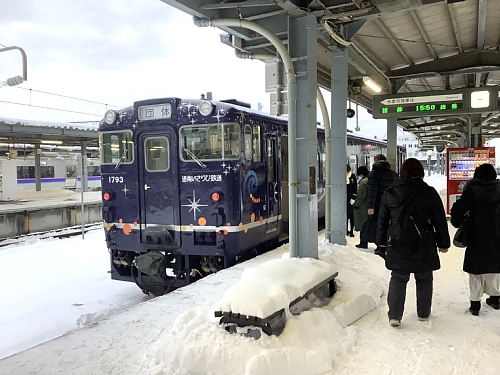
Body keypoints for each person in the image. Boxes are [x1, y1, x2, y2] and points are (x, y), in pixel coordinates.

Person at [376, 158, 450, 327]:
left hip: (397, 240)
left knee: (398, 277)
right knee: (424, 277)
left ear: (403, 173)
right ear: (420, 172)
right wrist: (443, 242)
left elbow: (382, 221)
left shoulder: (391, 192)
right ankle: (423, 314)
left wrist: (380, 242)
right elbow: (439, 220)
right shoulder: (429, 192)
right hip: (423, 241)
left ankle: (395, 316)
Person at [450, 163, 500, 316]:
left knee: (476, 270)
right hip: (498, 234)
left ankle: (475, 304)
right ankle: (496, 299)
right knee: (495, 266)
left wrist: (457, 220)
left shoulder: (471, 190)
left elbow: (458, 211)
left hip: (476, 234)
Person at [357, 154, 398, 251]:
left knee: (378, 225)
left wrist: (370, 207)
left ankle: (380, 245)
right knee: (389, 224)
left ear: (376, 161)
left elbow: (372, 192)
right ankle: (388, 243)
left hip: (378, 204)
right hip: (391, 205)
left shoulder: (373, 174)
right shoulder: (394, 174)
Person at [352, 165, 369, 237]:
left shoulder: (363, 182)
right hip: (368, 205)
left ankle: (363, 242)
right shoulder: (369, 179)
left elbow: (361, 195)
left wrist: (355, 204)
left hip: (363, 207)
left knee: (363, 225)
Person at [346, 164, 357, 237]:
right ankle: (346, 230)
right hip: (344, 199)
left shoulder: (352, 176)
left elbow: (355, 188)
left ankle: (352, 231)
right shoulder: (341, 177)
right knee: (345, 216)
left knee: (351, 216)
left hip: (350, 199)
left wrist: (353, 198)